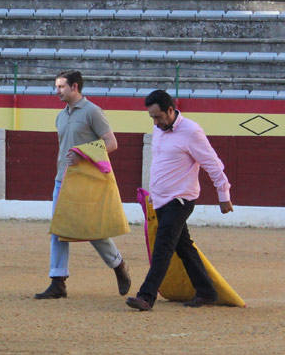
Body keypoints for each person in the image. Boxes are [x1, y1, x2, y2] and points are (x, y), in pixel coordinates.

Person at [126, 90, 233, 311]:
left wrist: (224, 195)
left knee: (163, 246)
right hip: (162, 200)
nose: (155, 122)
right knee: (184, 247)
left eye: (158, 116)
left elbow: (212, 163)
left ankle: (146, 296)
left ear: (171, 110)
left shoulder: (191, 132)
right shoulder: (159, 129)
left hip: (181, 199)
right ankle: (206, 291)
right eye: (152, 117)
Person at [34, 70, 131, 299]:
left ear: (74, 87)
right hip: (62, 180)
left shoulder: (93, 112)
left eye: (60, 87)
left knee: (92, 230)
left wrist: (83, 155)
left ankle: (118, 265)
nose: (56, 91)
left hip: (86, 182)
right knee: (58, 229)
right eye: (56, 87)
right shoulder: (61, 116)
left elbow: (111, 143)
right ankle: (58, 281)